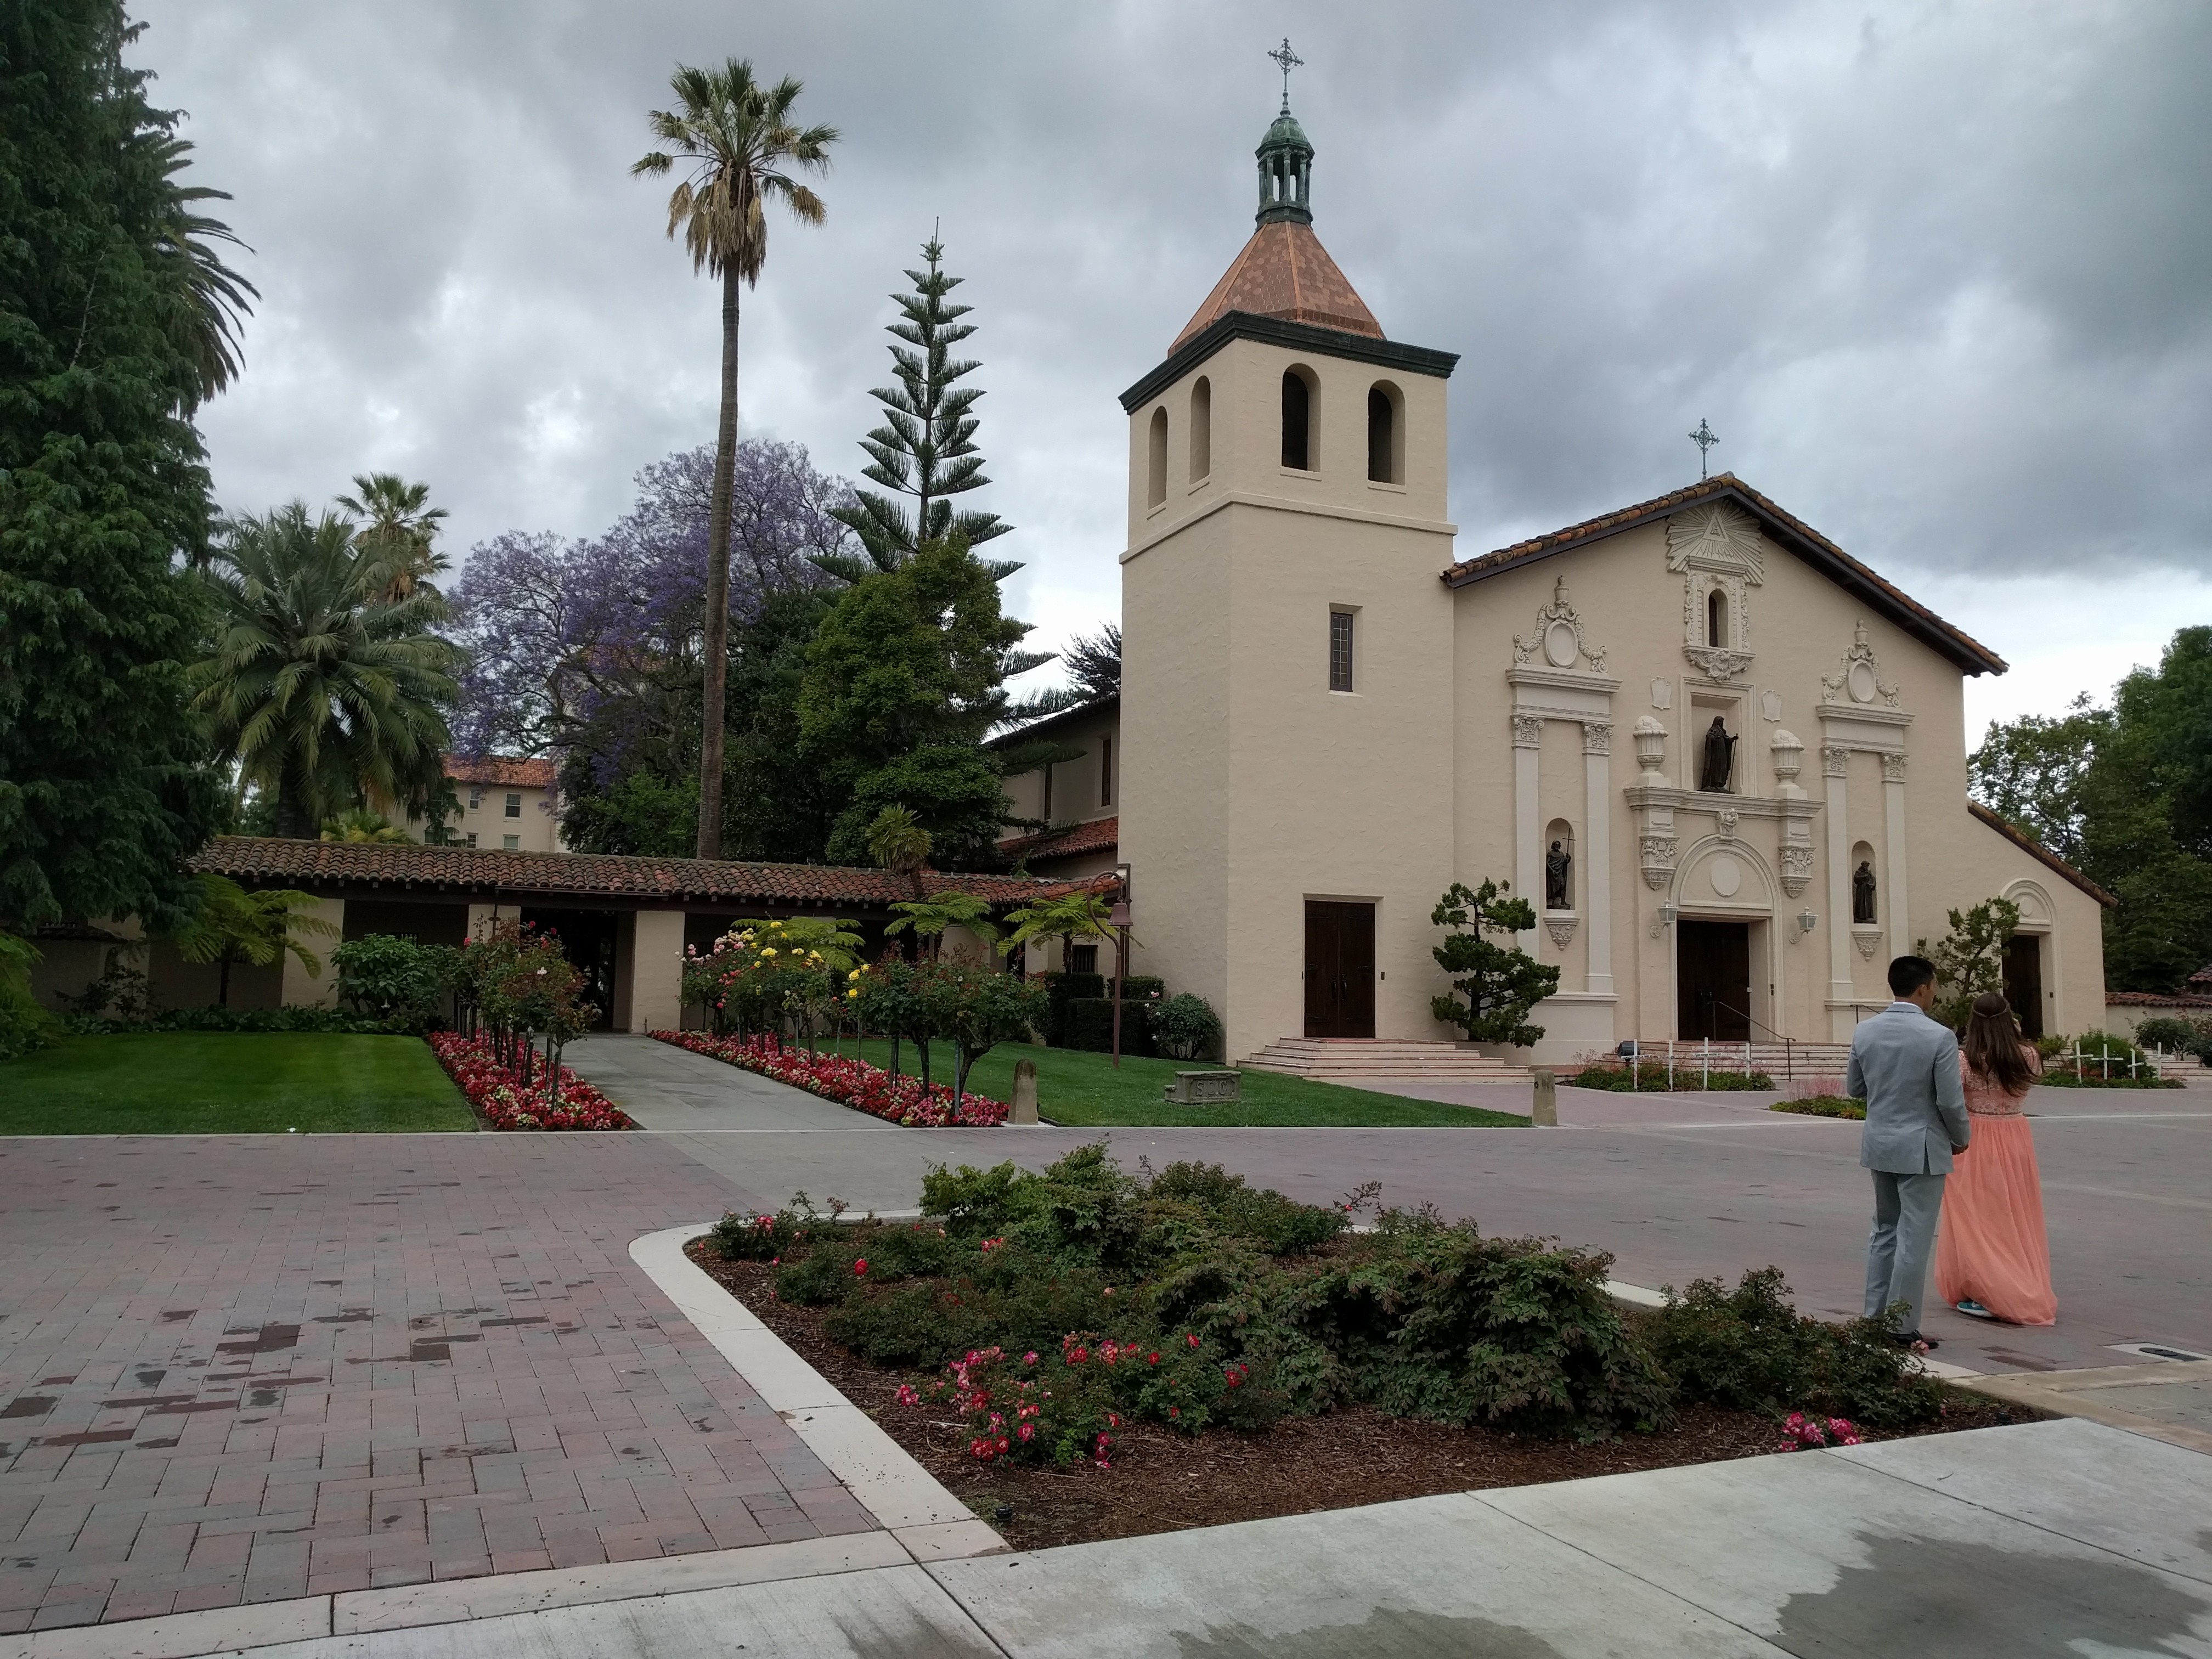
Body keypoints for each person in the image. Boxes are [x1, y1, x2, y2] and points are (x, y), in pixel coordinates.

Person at [1846, 955, 1972, 1348]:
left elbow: (1855, 1088)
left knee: (1884, 1230)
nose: (1934, 993)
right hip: (1922, 1145)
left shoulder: (1865, 1031)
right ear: (1922, 988)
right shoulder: (1939, 1036)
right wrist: (1961, 1136)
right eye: (1933, 987)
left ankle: (1874, 1317)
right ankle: (1901, 1325)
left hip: (1880, 1141)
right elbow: (1949, 1100)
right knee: (1914, 1237)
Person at [1934, 992, 2056, 1325]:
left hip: (1974, 1137)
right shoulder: (2028, 1055)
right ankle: (2008, 1279)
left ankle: (1992, 1288)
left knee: (1974, 1217)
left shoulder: (1966, 1059)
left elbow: (1950, 1098)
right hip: (2015, 1135)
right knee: (2013, 1214)